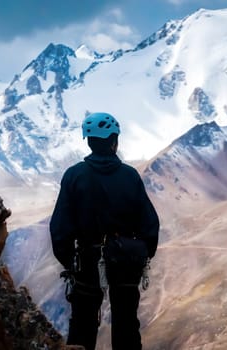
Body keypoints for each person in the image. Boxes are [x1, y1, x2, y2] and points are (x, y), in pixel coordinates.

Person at [50, 112, 160, 350]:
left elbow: (60, 227)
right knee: (127, 325)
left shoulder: (74, 175)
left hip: (88, 261)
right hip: (126, 260)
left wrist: (70, 261)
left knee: (82, 325)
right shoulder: (129, 176)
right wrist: (142, 254)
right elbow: (149, 224)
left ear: (88, 141)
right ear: (114, 141)